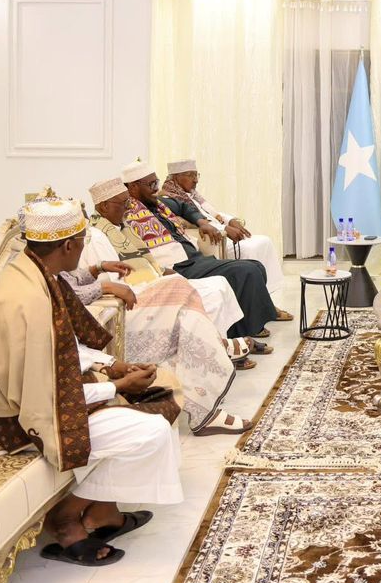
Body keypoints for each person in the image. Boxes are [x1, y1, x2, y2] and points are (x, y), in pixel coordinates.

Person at [0, 197, 184, 567]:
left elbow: (63, 349)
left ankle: (104, 512)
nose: (84, 248)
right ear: (67, 246)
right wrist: (117, 387)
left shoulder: (34, 274)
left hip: (37, 395)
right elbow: (46, 393)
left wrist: (113, 366)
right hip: (14, 418)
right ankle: (66, 519)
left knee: (163, 395)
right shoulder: (30, 300)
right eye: (83, 241)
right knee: (152, 431)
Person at [62, 178, 255, 435]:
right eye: (122, 204)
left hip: (128, 295)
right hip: (113, 313)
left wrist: (98, 269)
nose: (129, 208)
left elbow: (73, 280)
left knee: (186, 312)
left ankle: (206, 406)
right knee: (180, 290)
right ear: (105, 206)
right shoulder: (95, 237)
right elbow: (73, 292)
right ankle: (216, 360)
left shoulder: (113, 230)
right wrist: (104, 286)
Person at [121, 160, 282, 352]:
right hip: (177, 266)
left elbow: (184, 207)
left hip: (193, 258)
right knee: (246, 271)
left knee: (256, 266)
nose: (156, 188)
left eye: (156, 183)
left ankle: (243, 329)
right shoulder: (127, 213)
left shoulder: (158, 204)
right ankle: (245, 334)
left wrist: (202, 222)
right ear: (133, 187)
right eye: (151, 184)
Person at [161, 158, 289, 306]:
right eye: (190, 175)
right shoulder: (169, 198)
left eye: (196, 175)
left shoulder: (192, 195)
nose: (195, 180)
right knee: (250, 250)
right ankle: (253, 300)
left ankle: (266, 296)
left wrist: (230, 220)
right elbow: (192, 224)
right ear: (176, 177)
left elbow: (210, 214)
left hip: (219, 230)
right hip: (213, 239)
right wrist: (224, 229)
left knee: (264, 241)